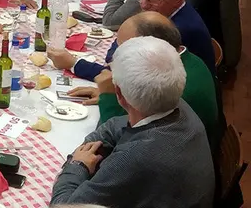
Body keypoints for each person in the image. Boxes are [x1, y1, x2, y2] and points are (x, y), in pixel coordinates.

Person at [50, 37, 214, 207]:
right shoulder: (179, 105)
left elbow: (62, 205)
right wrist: (90, 148)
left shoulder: (133, 159)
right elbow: (114, 125)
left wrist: (77, 165)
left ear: (118, 94)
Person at [72, 12, 219, 147]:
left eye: (123, 47)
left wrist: (110, 98)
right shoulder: (183, 61)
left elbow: (118, 142)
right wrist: (119, 95)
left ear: (150, 50)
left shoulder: (168, 84)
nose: (115, 55)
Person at [52, 0, 216, 79]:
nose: (143, 5)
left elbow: (125, 77)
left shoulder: (179, 29)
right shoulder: (169, 11)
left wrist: (73, 64)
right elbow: (117, 55)